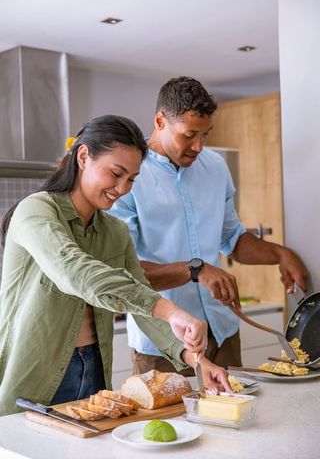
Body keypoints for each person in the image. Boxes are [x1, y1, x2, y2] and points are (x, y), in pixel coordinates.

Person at [0, 114, 232, 417]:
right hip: (36, 373)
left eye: (131, 179)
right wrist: (170, 309)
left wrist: (198, 361)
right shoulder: (37, 210)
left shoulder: (114, 231)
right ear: (84, 156)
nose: (123, 189)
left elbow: (141, 306)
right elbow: (75, 271)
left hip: (94, 368)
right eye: (116, 174)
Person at [109, 77, 308, 376]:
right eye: (189, 135)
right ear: (160, 121)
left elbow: (233, 239)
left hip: (223, 332)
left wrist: (279, 253)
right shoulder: (130, 178)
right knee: (173, 425)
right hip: (165, 343)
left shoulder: (215, 167)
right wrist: (197, 269)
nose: (198, 146)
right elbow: (127, 270)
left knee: (243, 418)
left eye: (205, 135)